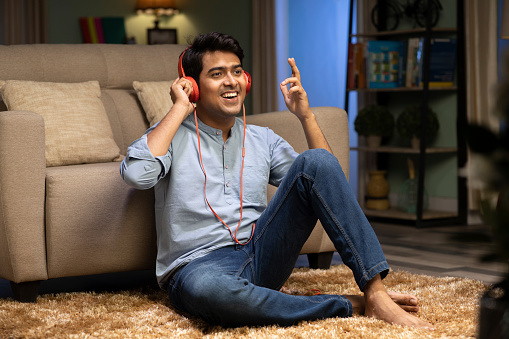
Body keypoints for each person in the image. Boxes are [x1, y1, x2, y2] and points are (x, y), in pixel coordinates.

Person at [120, 32, 434, 330]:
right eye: (217, 74)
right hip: (199, 266)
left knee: (317, 160)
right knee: (215, 294)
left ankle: (376, 292)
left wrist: (306, 116)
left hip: (262, 252)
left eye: (237, 71)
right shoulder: (168, 137)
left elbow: (325, 178)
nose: (231, 81)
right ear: (193, 86)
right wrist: (179, 107)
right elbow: (137, 174)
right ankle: (350, 305)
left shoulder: (262, 139)